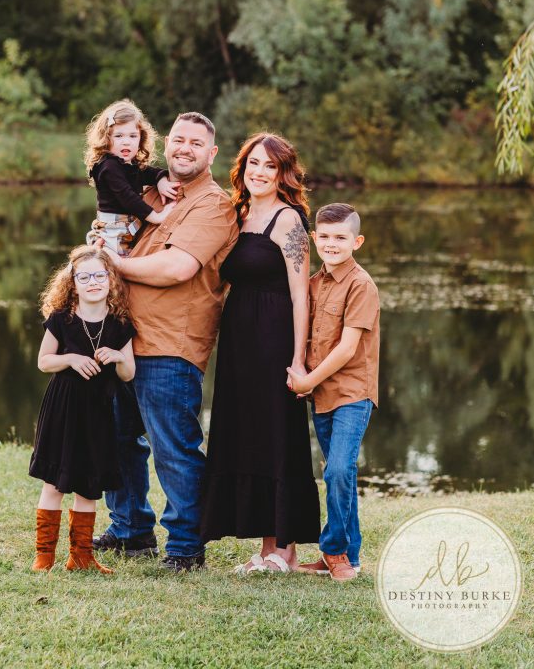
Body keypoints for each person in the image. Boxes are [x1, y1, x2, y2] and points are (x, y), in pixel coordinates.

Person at [92, 112, 239, 571]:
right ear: (165, 144)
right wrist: (99, 246)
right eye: (178, 140)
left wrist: (112, 263)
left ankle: (185, 547)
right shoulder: (150, 192)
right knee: (117, 439)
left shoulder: (214, 206)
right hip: (120, 338)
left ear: (211, 153)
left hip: (170, 344)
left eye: (196, 143)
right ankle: (131, 529)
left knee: (173, 449)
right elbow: (111, 234)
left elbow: (177, 268)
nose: (184, 149)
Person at [200, 133, 320, 573]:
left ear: (283, 173)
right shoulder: (240, 213)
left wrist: (298, 358)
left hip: (274, 336)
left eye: (270, 166)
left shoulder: (289, 220)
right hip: (239, 340)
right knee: (244, 431)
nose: (260, 172)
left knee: (275, 433)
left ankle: (283, 549)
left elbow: (301, 295)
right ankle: (266, 546)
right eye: (254, 163)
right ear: (242, 167)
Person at [28, 244, 136, 574]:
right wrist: (71, 359)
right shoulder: (62, 320)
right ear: (73, 283)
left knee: (89, 485)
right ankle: (44, 557)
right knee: (54, 483)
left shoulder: (119, 324)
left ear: (111, 279)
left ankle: (82, 556)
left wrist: (117, 357)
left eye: (99, 276)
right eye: (84, 277)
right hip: (62, 410)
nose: (93, 283)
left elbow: (128, 373)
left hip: (98, 412)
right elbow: (44, 362)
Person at [287, 202, 380, 582]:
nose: (331, 244)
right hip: (322, 395)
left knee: (339, 469)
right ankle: (348, 557)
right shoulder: (312, 284)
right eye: (324, 236)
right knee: (341, 474)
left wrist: (307, 380)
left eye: (340, 237)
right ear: (313, 238)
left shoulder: (361, 285)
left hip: (353, 393)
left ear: (356, 241)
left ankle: (334, 549)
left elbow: (346, 348)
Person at [84, 99, 179, 255]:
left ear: (141, 138)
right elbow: (128, 198)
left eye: (133, 136)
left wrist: (161, 180)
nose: (126, 142)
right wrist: (157, 217)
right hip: (112, 233)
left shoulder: (129, 165)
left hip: (126, 230)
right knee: (114, 266)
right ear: (106, 138)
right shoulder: (109, 166)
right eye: (119, 136)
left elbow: (150, 172)